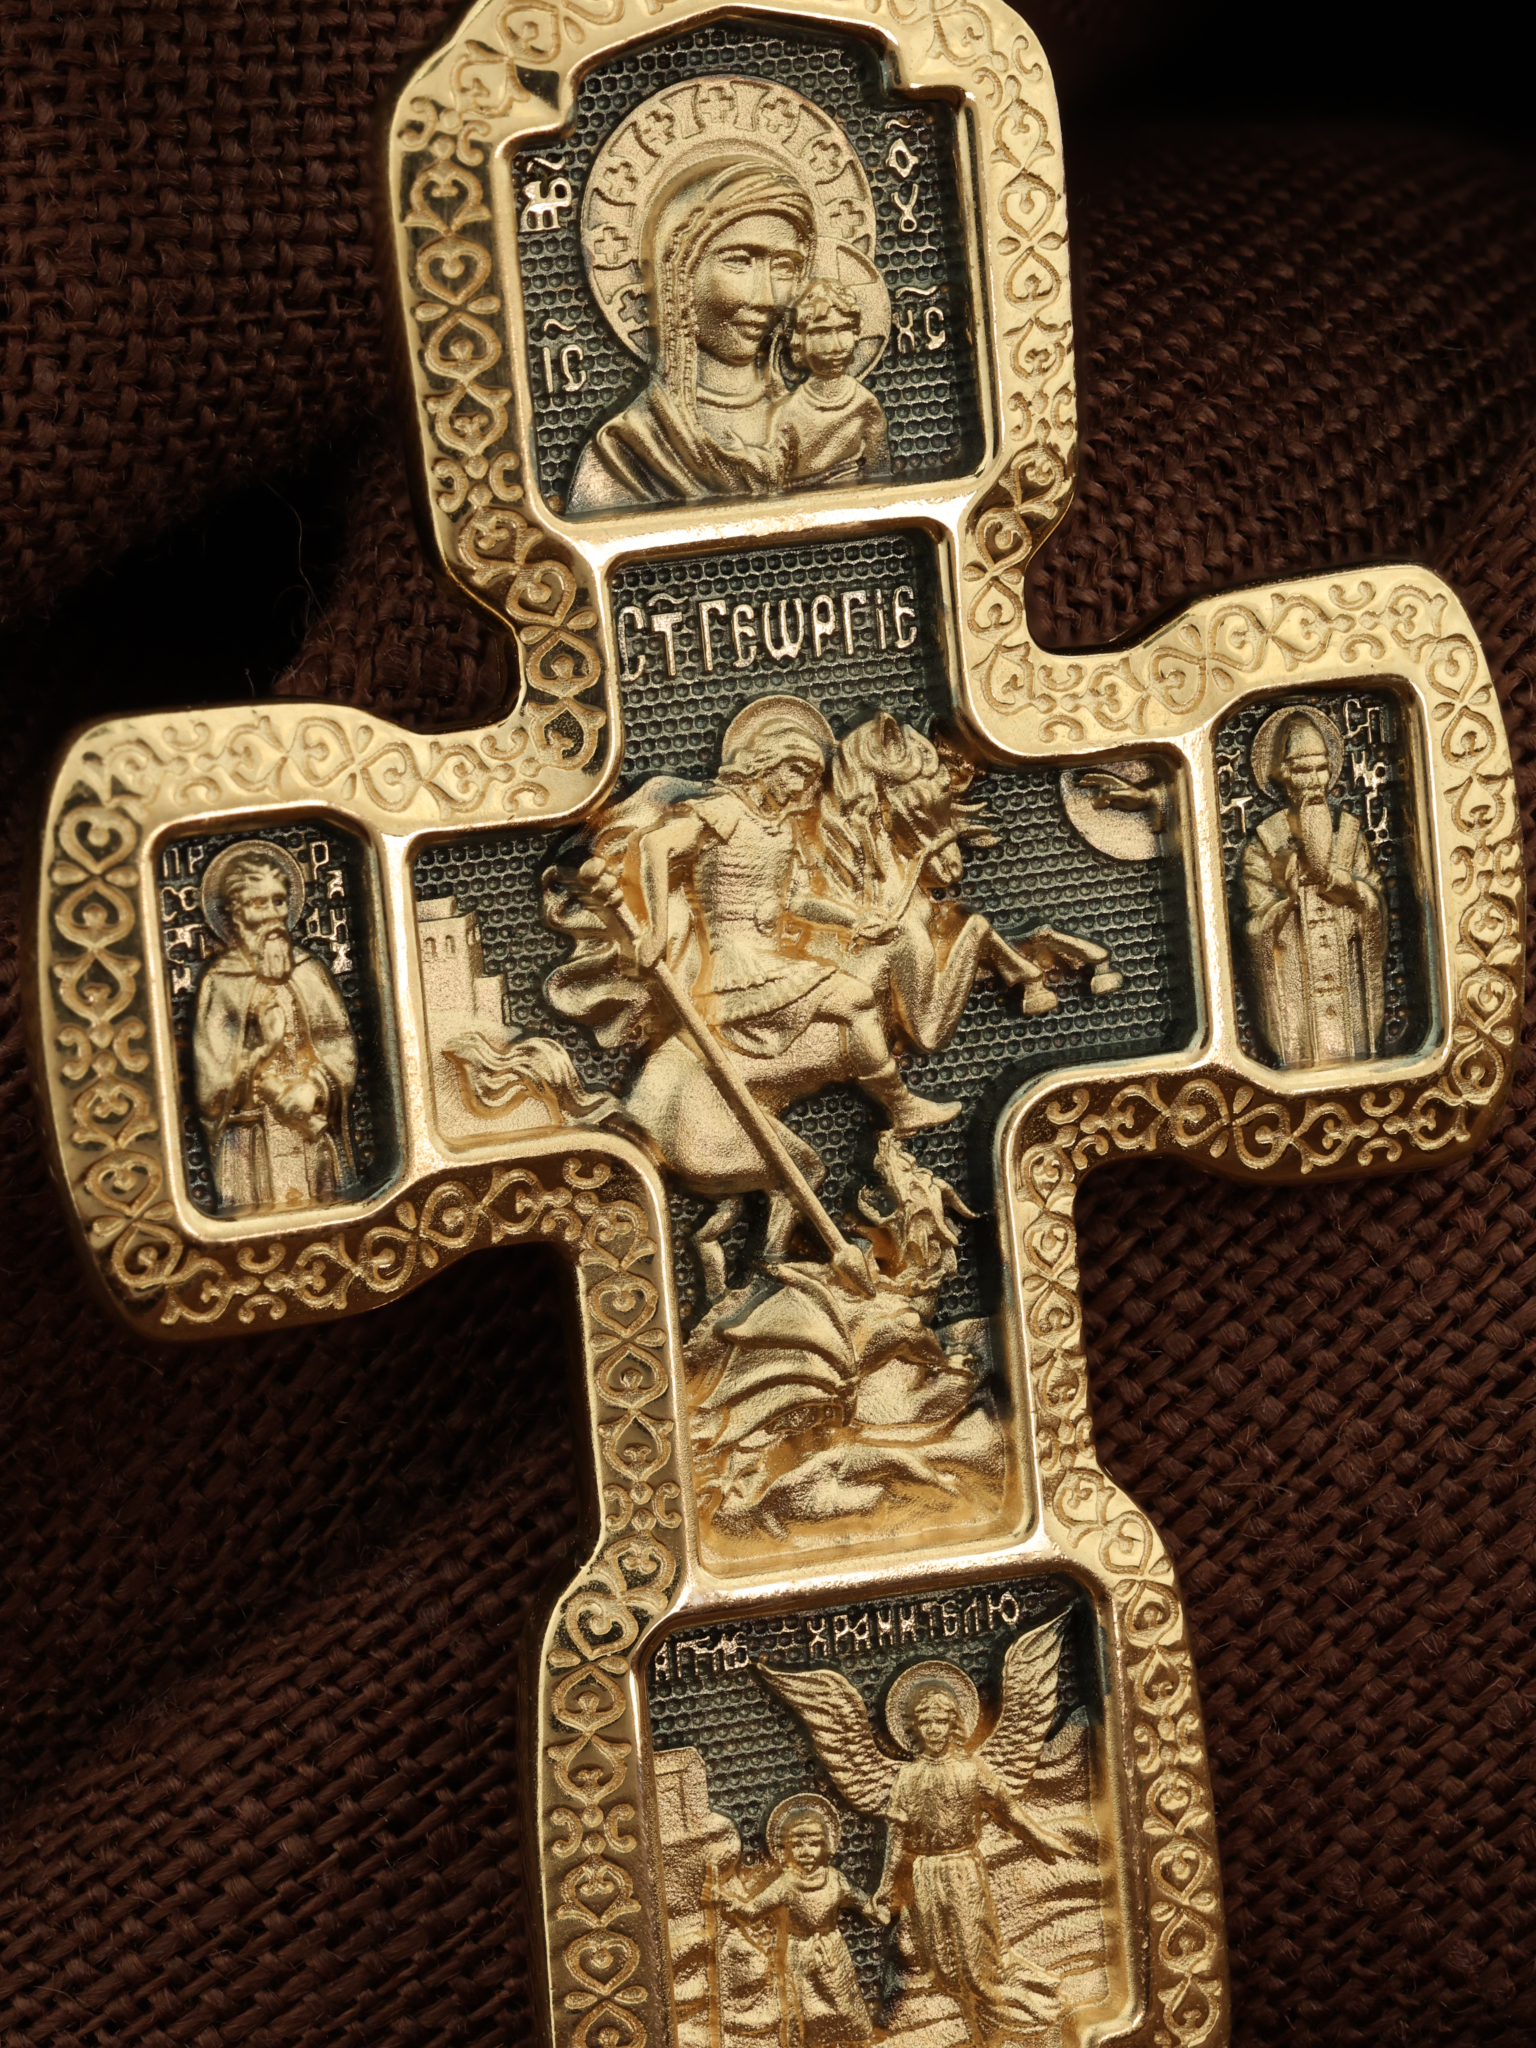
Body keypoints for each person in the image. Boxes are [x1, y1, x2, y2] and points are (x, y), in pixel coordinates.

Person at [630, 696, 959, 1132]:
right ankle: (901, 1106)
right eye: (795, 771)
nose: (800, 784)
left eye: (808, 775)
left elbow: (797, 903)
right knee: (857, 998)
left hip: (771, 957)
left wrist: (855, 921)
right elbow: (654, 845)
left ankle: (901, 1106)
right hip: (738, 966)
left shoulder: (781, 828)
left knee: (857, 998)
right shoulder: (726, 810)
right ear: (767, 764)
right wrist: (656, 931)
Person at [567, 160, 813, 514]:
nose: (766, 298)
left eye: (785, 266)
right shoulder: (631, 447)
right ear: (680, 274)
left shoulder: (819, 418)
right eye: (739, 261)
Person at [874, 1678, 1069, 2043]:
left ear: (954, 1723)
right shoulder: (908, 1776)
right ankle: (1013, 2009)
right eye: (926, 1722)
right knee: (945, 1971)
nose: (934, 1729)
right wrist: (886, 1886)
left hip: (963, 1868)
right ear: (914, 1727)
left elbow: (1006, 1808)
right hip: (926, 1874)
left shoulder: (971, 1769)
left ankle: (1034, 2018)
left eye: (941, 1720)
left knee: (975, 1969)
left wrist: (1039, 1837)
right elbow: (897, 1837)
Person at [193, 842, 357, 1211]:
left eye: (279, 901)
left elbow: (340, 1045)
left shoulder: (309, 971)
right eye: (258, 903)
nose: (272, 915)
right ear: (235, 913)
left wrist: (314, 1089)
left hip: (312, 1133)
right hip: (249, 1147)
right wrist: (261, 1053)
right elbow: (209, 1087)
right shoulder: (221, 982)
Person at [1241, 707, 1386, 1068]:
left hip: (1346, 975)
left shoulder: (1350, 835)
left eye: (1321, 768)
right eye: (1304, 770)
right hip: (1297, 983)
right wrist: (1286, 898)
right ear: (1283, 774)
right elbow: (1254, 927)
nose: (1315, 780)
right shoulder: (1265, 843)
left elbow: (1375, 903)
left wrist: (1355, 892)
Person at [719, 1796, 885, 2048]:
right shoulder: (786, 1885)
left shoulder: (835, 1879)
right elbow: (752, 1911)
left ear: (827, 1846)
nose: (806, 1851)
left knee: (845, 2006)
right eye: (797, 1845)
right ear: (784, 1849)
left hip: (833, 1952)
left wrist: (877, 1910)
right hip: (800, 1954)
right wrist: (728, 1903)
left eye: (814, 1844)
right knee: (808, 2013)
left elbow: (861, 1902)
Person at [772, 279, 888, 488]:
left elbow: (879, 474)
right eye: (822, 332)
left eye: (843, 330)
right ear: (801, 340)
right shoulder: (789, 412)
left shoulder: (866, 404)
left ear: (855, 334)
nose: (835, 347)